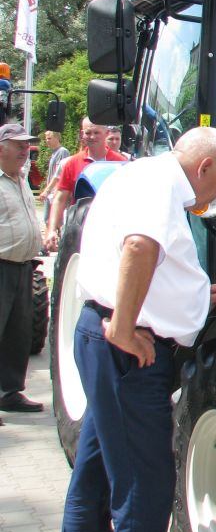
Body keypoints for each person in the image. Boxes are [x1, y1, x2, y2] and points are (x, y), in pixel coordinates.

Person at [58, 127, 216, 532]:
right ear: (203, 167)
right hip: (129, 354)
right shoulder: (162, 186)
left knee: (93, 482)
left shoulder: (139, 175)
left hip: (107, 344)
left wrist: (203, 294)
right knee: (143, 494)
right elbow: (140, 247)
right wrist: (123, 325)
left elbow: (155, 261)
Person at [0, 123, 46, 420]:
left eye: (26, 145)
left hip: (22, 267)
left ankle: (9, 391)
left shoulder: (20, 180)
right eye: (18, 145)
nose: (24, 150)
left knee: (18, 333)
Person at [44, 118, 125, 252]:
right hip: (79, 233)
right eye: (88, 133)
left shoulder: (120, 163)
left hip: (113, 232)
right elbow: (60, 198)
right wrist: (51, 230)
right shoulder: (72, 163)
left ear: (106, 133)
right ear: (82, 134)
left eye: (96, 132)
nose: (92, 137)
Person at [38, 129, 70, 226]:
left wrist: (47, 190)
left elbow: (58, 174)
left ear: (57, 138)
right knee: (48, 220)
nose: (47, 141)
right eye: (46, 139)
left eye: (49, 138)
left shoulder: (62, 152)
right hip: (50, 192)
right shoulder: (54, 152)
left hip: (55, 191)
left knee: (53, 221)